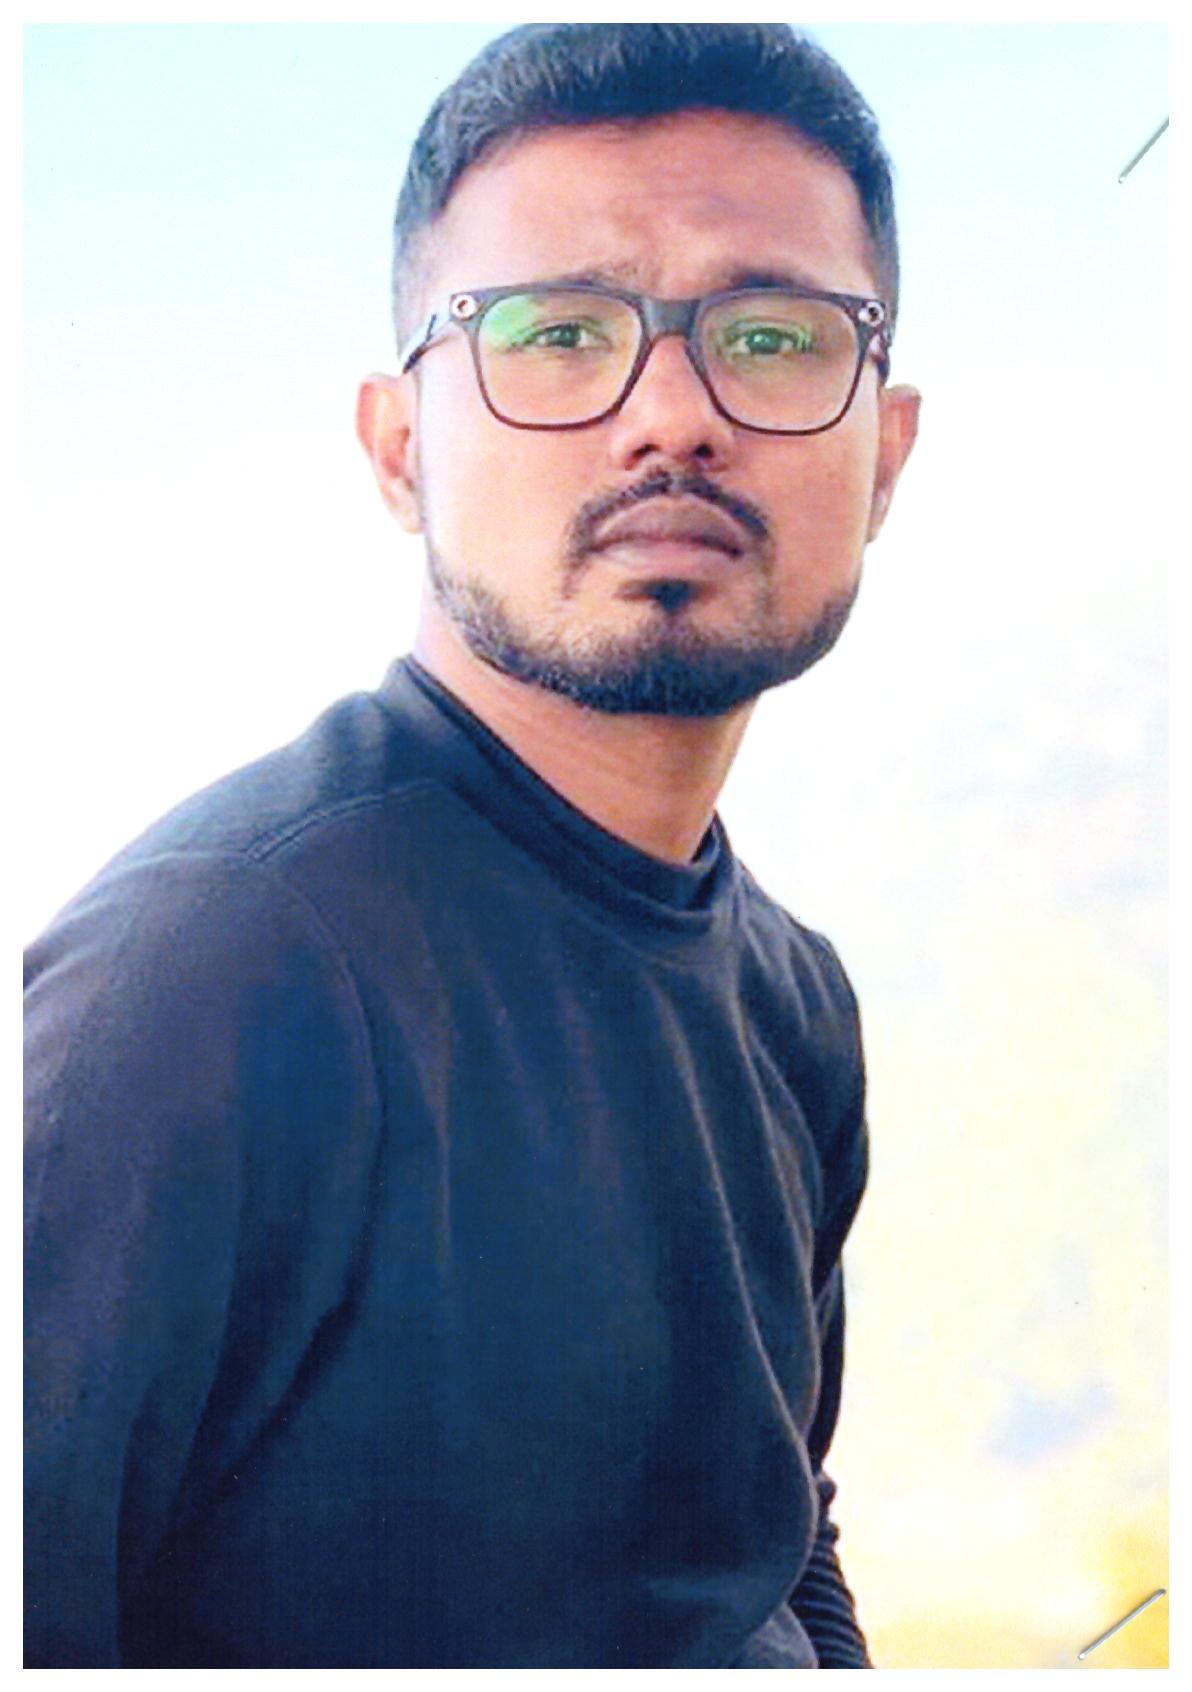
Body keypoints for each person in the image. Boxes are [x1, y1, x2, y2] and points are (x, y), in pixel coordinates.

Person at [24, 22, 919, 1669]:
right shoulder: (212, 974)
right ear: (398, 449)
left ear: (888, 455)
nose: (673, 417)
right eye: (556, 332)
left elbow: (774, 1538)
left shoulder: (793, 1004)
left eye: (775, 337)